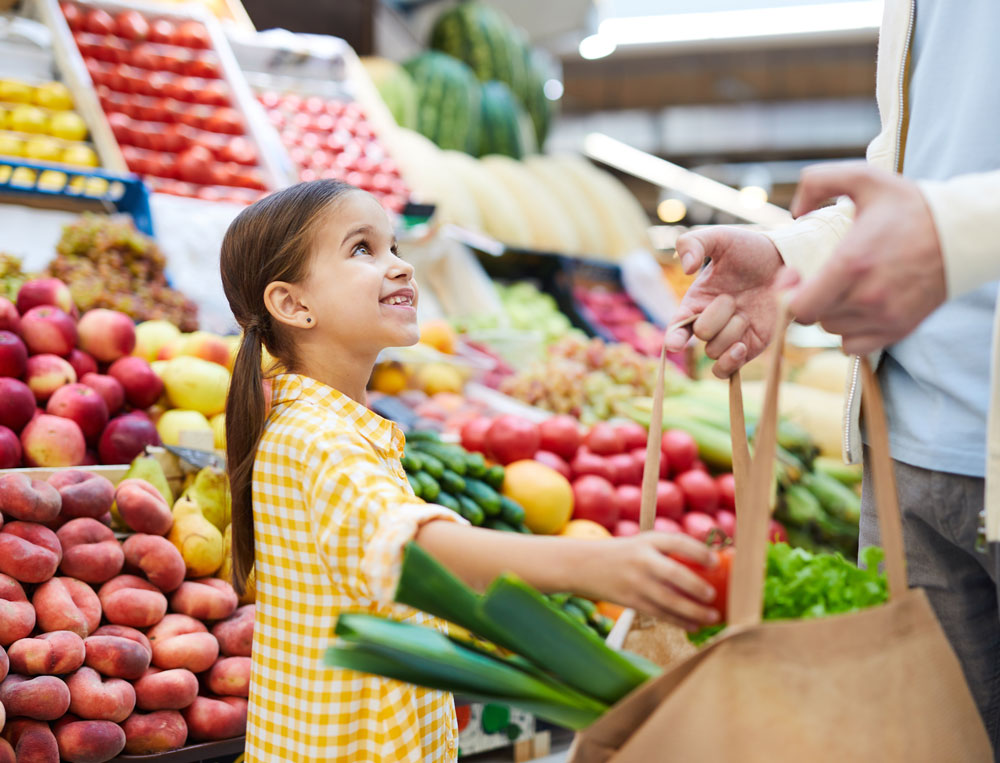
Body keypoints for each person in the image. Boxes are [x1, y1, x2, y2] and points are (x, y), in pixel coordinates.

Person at [219, 179, 721, 763]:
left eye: (395, 248)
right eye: (362, 249)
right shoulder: (319, 438)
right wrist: (598, 566)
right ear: (292, 304)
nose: (400, 268)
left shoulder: (321, 424)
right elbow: (411, 552)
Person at [665, 0, 1000, 750]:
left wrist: (958, 235)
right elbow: (916, 161)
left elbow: (947, 207)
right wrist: (791, 253)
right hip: (904, 445)